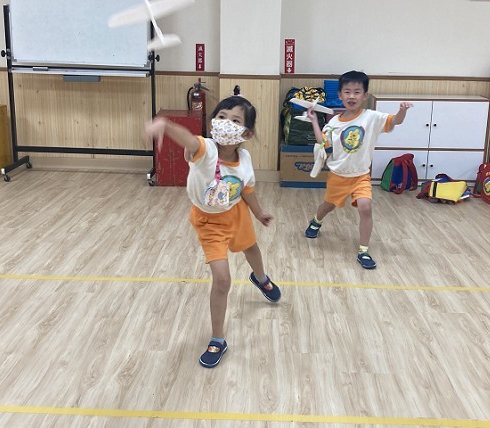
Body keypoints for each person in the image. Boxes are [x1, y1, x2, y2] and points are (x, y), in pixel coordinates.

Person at [144, 95, 281, 368]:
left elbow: (247, 189)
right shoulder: (206, 150)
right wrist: (165, 125)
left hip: (236, 213)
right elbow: (189, 140)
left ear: (246, 133)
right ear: (212, 122)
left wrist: (258, 212)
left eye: (235, 120)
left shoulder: (244, 158)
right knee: (222, 280)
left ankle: (261, 278)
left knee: (252, 248)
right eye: (221, 117)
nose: (225, 123)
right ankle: (218, 339)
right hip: (209, 223)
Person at [303, 70, 413, 269]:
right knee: (328, 205)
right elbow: (323, 144)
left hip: (361, 176)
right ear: (340, 95)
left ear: (365, 95)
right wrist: (314, 122)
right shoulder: (333, 122)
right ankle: (317, 220)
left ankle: (363, 251)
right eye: (347, 92)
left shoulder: (372, 118)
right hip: (338, 175)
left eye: (356, 92)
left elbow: (395, 121)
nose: (351, 96)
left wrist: (402, 111)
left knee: (365, 207)